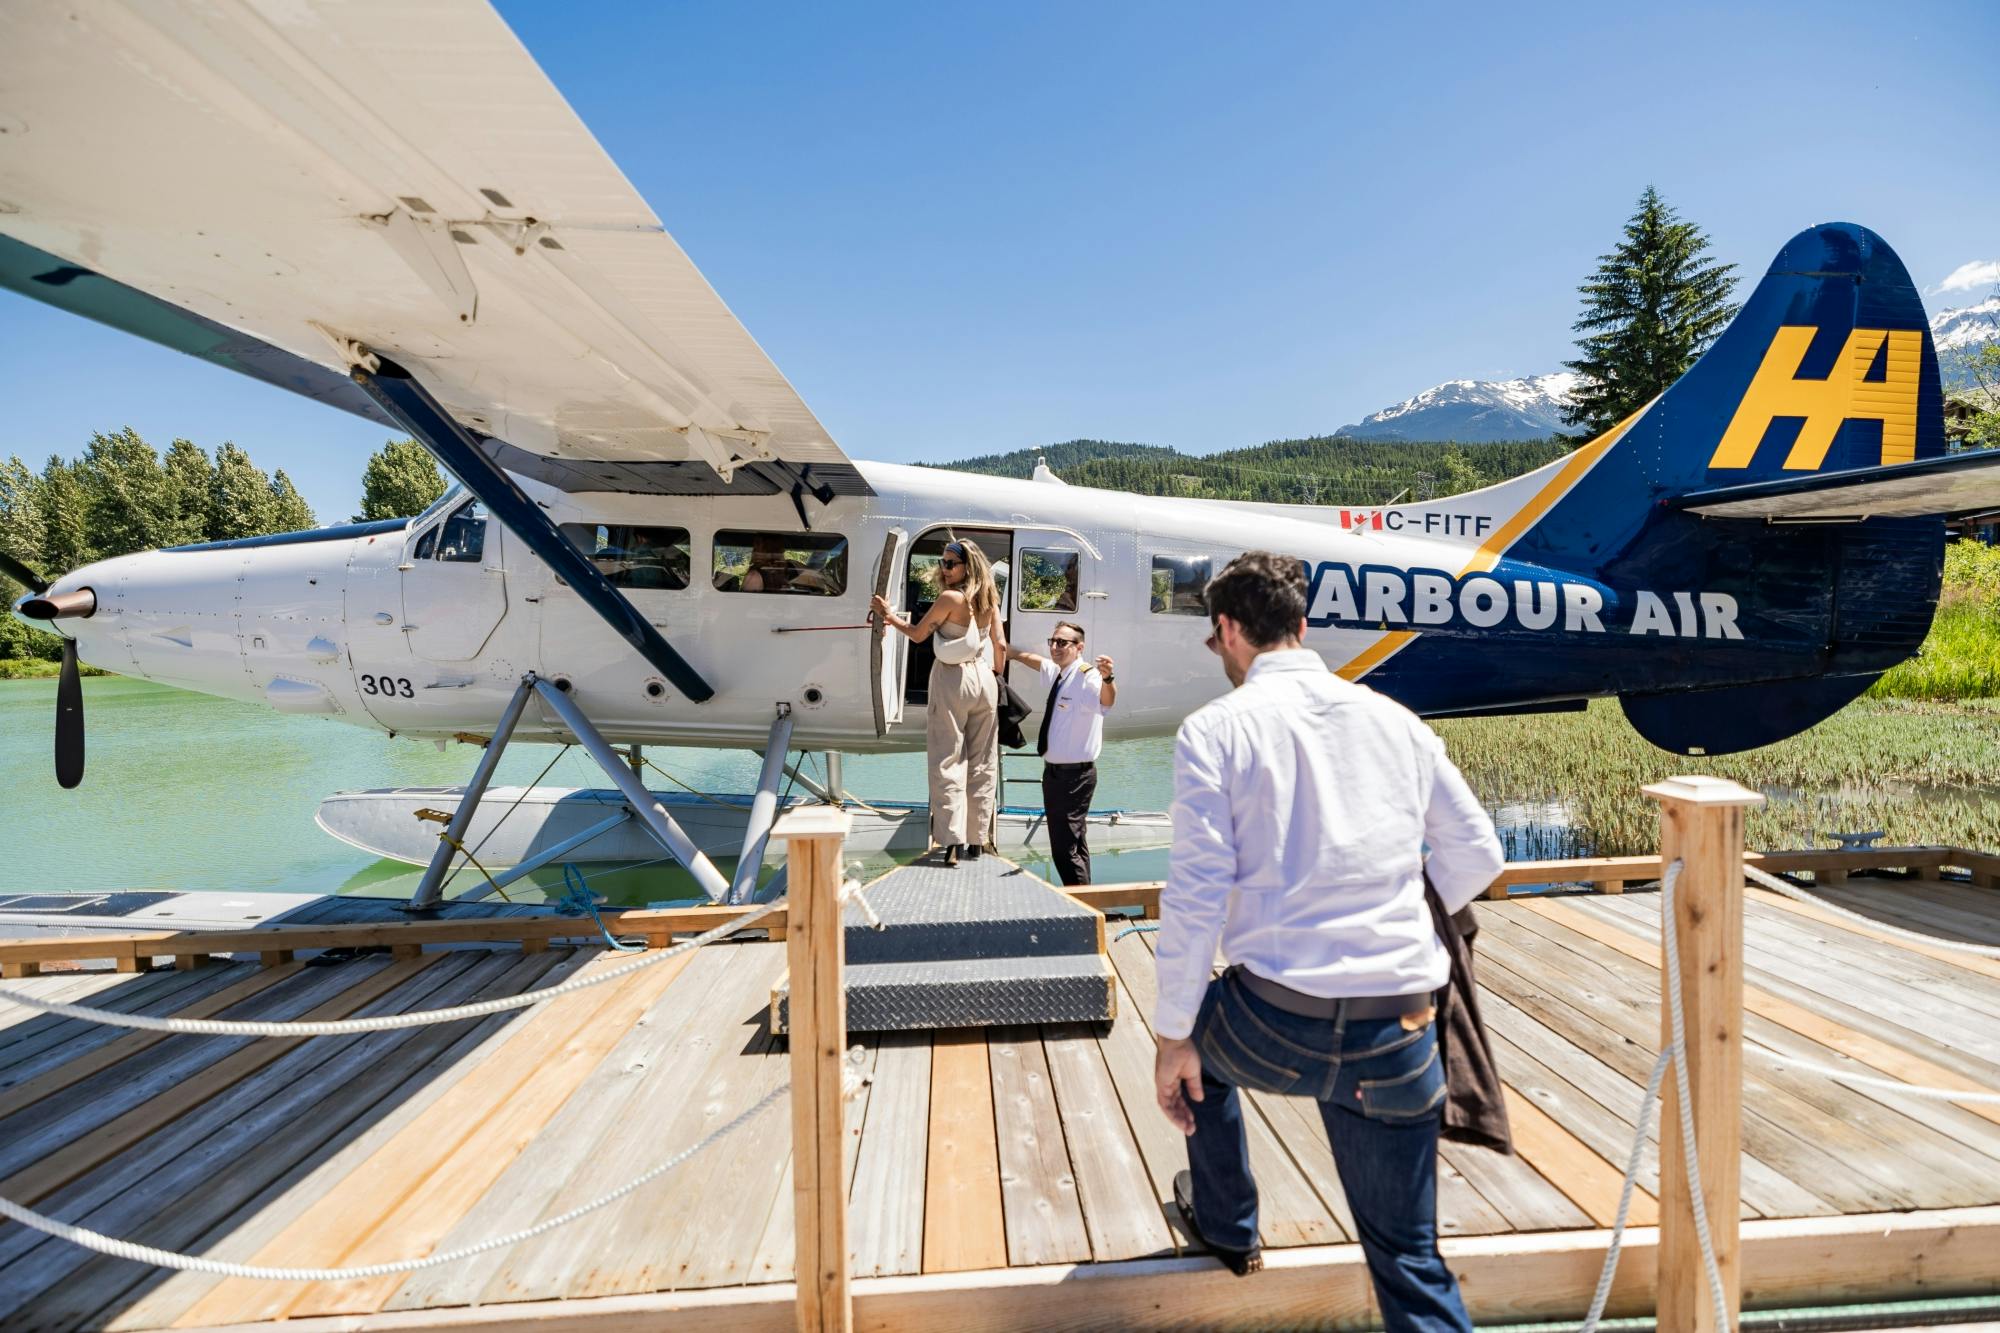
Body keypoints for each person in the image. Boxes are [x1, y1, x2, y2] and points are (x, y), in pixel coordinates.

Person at [1152, 551, 1502, 1332]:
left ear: (1228, 630)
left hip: (1275, 1025)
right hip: (1399, 1031)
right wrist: (1404, 907)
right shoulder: (1395, 721)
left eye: (1217, 644)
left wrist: (1173, 1036)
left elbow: (1198, 896)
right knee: (1410, 1261)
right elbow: (1479, 853)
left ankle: (1230, 1221)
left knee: (1197, 1046)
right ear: (1303, 627)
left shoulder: (1215, 730)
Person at [873, 540, 1007, 867]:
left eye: (950, 564)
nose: (944, 569)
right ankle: (978, 839)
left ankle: (951, 842)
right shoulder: (990, 598)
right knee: (983, 761)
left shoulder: (951, 598)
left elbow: (918, 634)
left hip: (952, 678)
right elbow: (1000, 644)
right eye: (943, 563)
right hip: (984, 678)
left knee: (948, 759)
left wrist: (888, 615)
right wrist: (995, 674)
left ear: (966, 568)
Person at [1005, 621, 1115, 885]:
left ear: (1079, 647)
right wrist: (1010, 652)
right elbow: (1037, 661)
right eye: (1052, 641)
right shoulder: (1059, 673)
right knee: (1074, 842)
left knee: (1064, 848)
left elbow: (1106, 700)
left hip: (1074, 777)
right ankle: (1087, 901)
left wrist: (1109, 678)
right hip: (1054, 775)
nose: (1055, 647)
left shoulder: (1087, 675)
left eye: (1062, 643)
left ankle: (1081, 909)